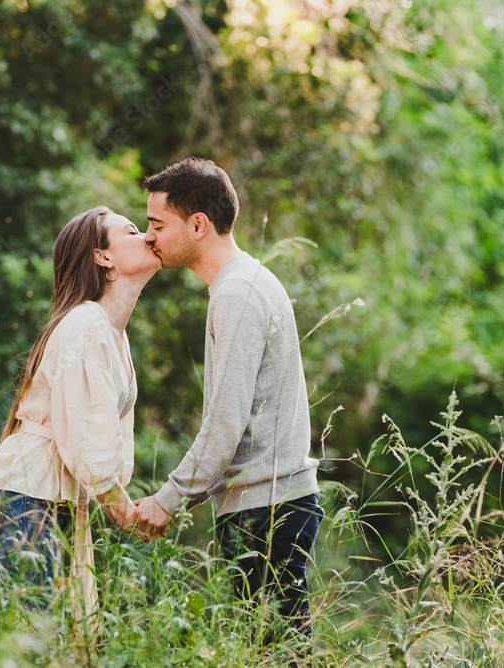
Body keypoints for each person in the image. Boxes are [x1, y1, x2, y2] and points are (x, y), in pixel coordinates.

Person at [134, 158, 323, 643]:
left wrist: (167, 500)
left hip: (268, 509)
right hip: (270, 504)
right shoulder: (242, 283)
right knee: (275, 650)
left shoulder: (237, 291)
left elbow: (225, 424)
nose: (149, 235)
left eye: (158, 224)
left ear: (198, 225)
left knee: (276, 653)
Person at [0, 205, 160, 618]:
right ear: (102, 255)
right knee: (34, 648)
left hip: (53, 503)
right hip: (22, 501)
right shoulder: (86, 323)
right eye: (131, 230)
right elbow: (88, 447)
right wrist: (129, 513)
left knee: (56, 650)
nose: (147, 234)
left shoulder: (114, 336)